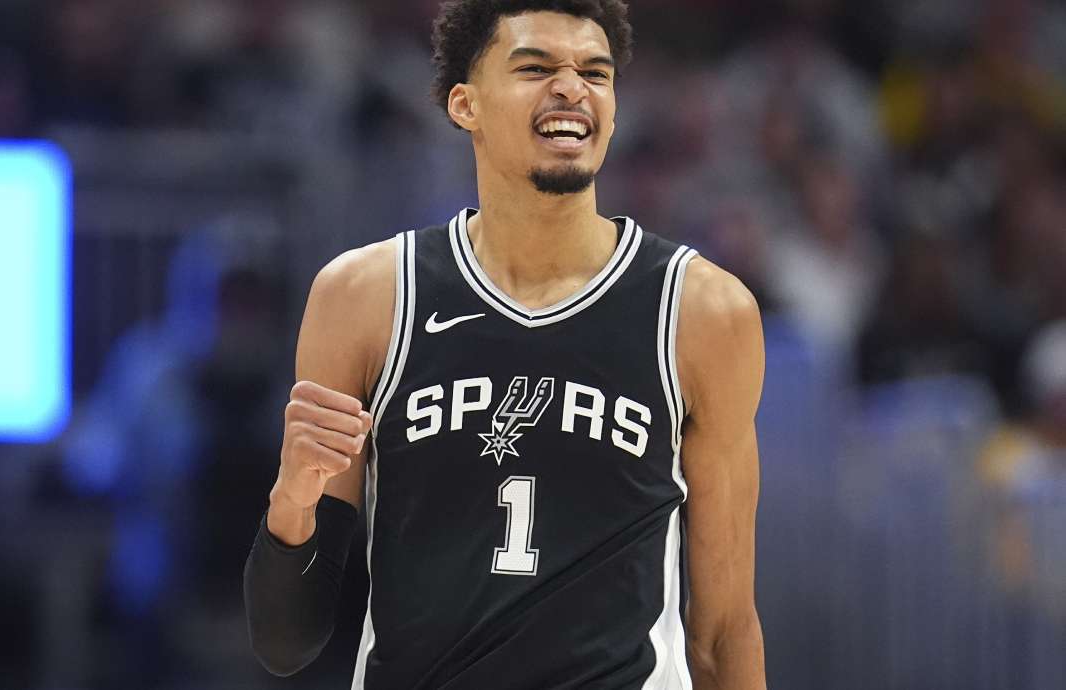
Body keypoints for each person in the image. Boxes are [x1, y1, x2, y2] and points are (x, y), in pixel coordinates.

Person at [244, 2, 767, 688]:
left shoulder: (702, 311)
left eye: (595, 73)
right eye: (535, 68)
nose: (572, 87)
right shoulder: (366, 297)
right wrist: (292, 499)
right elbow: (286, 641)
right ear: (466, 105)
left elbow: (724, 633)